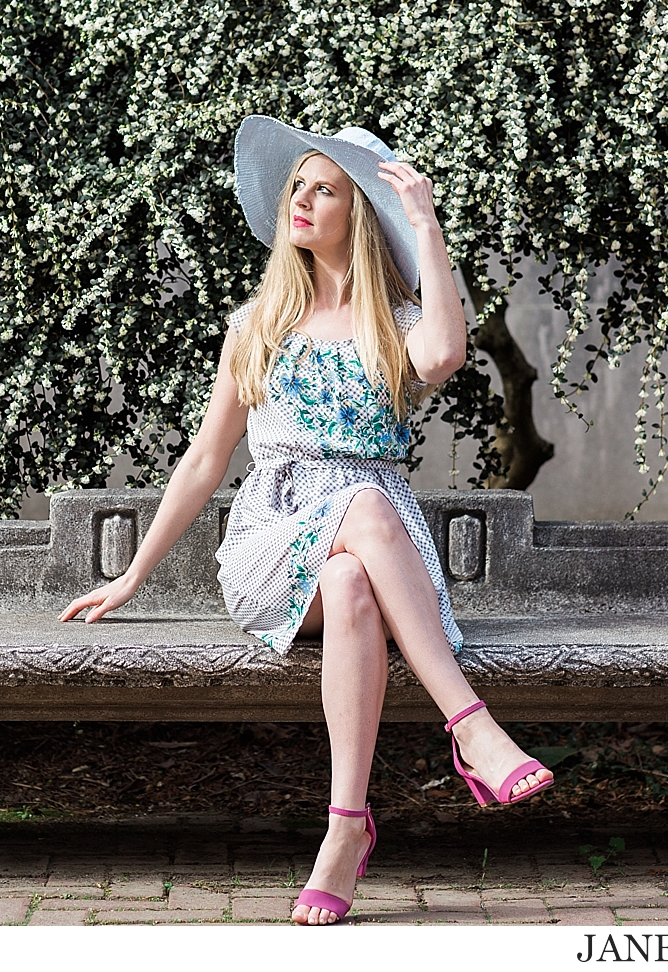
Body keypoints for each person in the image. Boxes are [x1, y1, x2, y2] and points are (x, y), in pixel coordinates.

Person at [59, 116, 553, 926]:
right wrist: (133, 572)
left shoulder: (393, 322)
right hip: (270, 542)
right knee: (359, 511)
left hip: (374, 554)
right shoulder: (257, 324)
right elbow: (204, 461)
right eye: (298, 185)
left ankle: (345, 829)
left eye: (324, 188)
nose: (303, 199)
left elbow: (446, 356)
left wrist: (426, 228)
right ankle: (472, 727)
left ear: (356, 212)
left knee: (353, 573)